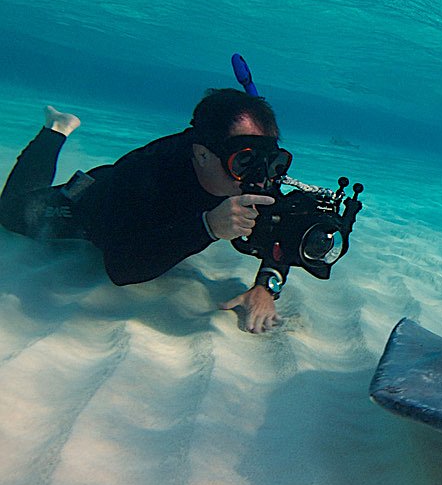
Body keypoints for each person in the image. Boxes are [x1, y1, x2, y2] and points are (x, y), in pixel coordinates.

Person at [0, 89, 289, 333]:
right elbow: (120, 268)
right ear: (202, 154)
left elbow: (285, 230)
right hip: (94, 205)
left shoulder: (256, 177)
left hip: (159, 221)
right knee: (10, 214)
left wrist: (267, 285)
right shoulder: (146, 174)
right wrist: (208, 227)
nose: (261, 177)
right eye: (244, 161)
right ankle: (55, 130)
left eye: (272, 162)